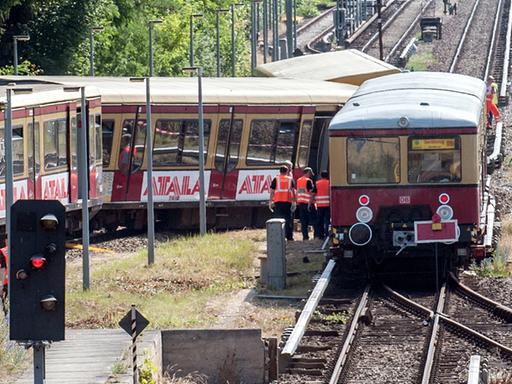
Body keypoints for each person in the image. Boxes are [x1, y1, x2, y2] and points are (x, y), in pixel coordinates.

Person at [269, 166, 296, 241]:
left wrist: (270, 201)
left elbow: (272, 191)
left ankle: (278, 236)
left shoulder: (276, 179)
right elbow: (293, 192)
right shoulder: (290, 179)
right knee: (288, 220)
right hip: (287, 202)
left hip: (278, 202)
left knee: (278, 220)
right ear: (287, 171)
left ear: (279, 171)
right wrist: (294, 202)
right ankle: (289, 237)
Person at [297, 167, 315, 241]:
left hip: (301, 203)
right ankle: (316, 235)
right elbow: (311, 193)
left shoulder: (299, 180)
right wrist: (311, 202)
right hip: (308, 204)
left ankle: (305, 237)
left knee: (303, 222)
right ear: (308, 172)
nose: (311, 175)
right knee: (314, 220)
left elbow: (301, 191)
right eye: (310, 173)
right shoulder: (308, 181)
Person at [314, 171, 331, 240]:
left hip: (320, 205)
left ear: (321, 176)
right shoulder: (329, 183)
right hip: (328, 204)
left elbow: (313, 193)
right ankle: (327, 234)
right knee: (327, 220)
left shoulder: (317, 183)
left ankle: (320, 235)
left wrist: (310, 203)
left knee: (320, 221)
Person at [0, 239, 8, 314]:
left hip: (6, 282)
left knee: (6, 305)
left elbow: (2, 268)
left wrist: (1, 285)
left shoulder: (3, 251)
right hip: (20, 278)